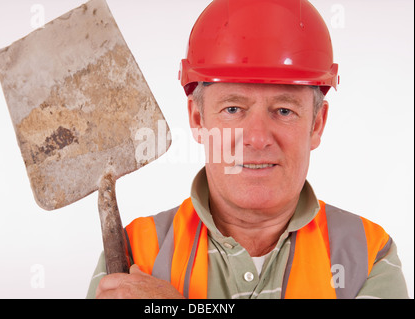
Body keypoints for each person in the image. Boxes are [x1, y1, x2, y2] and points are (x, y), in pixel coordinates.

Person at [87, 0, 408, 299]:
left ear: (316, 124)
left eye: (284, 110)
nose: (256, 138)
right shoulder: (136, 253)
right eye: (233, 109)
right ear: (198, 119)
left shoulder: (365, 255)